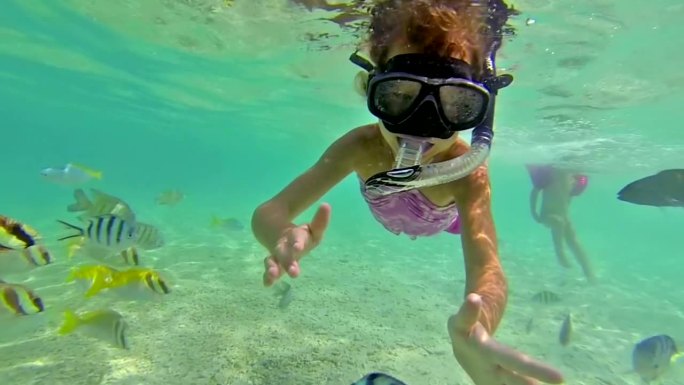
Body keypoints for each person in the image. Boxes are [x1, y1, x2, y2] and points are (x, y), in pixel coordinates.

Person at [252, 0, 564, 383]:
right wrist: (280, 234)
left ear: (479, 109)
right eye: (399, 94)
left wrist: (478, 325)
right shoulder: (360, 147)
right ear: (371, 88)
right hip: (400, 209)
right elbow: (271, 210)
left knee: (459, 224)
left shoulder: (466, 175)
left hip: (441, 219)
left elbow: (488, 267)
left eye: (456, 103)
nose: (422, 126)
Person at [526, 163, 596, 283]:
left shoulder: (573, 178)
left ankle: (589, 274)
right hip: (547, 215)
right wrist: (533, 211)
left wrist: (580, 181)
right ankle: (560, 253)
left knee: (575, 243)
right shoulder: (550, 173)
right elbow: (535, 191)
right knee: (558, 223)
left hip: (564, 217)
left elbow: (569, 197)